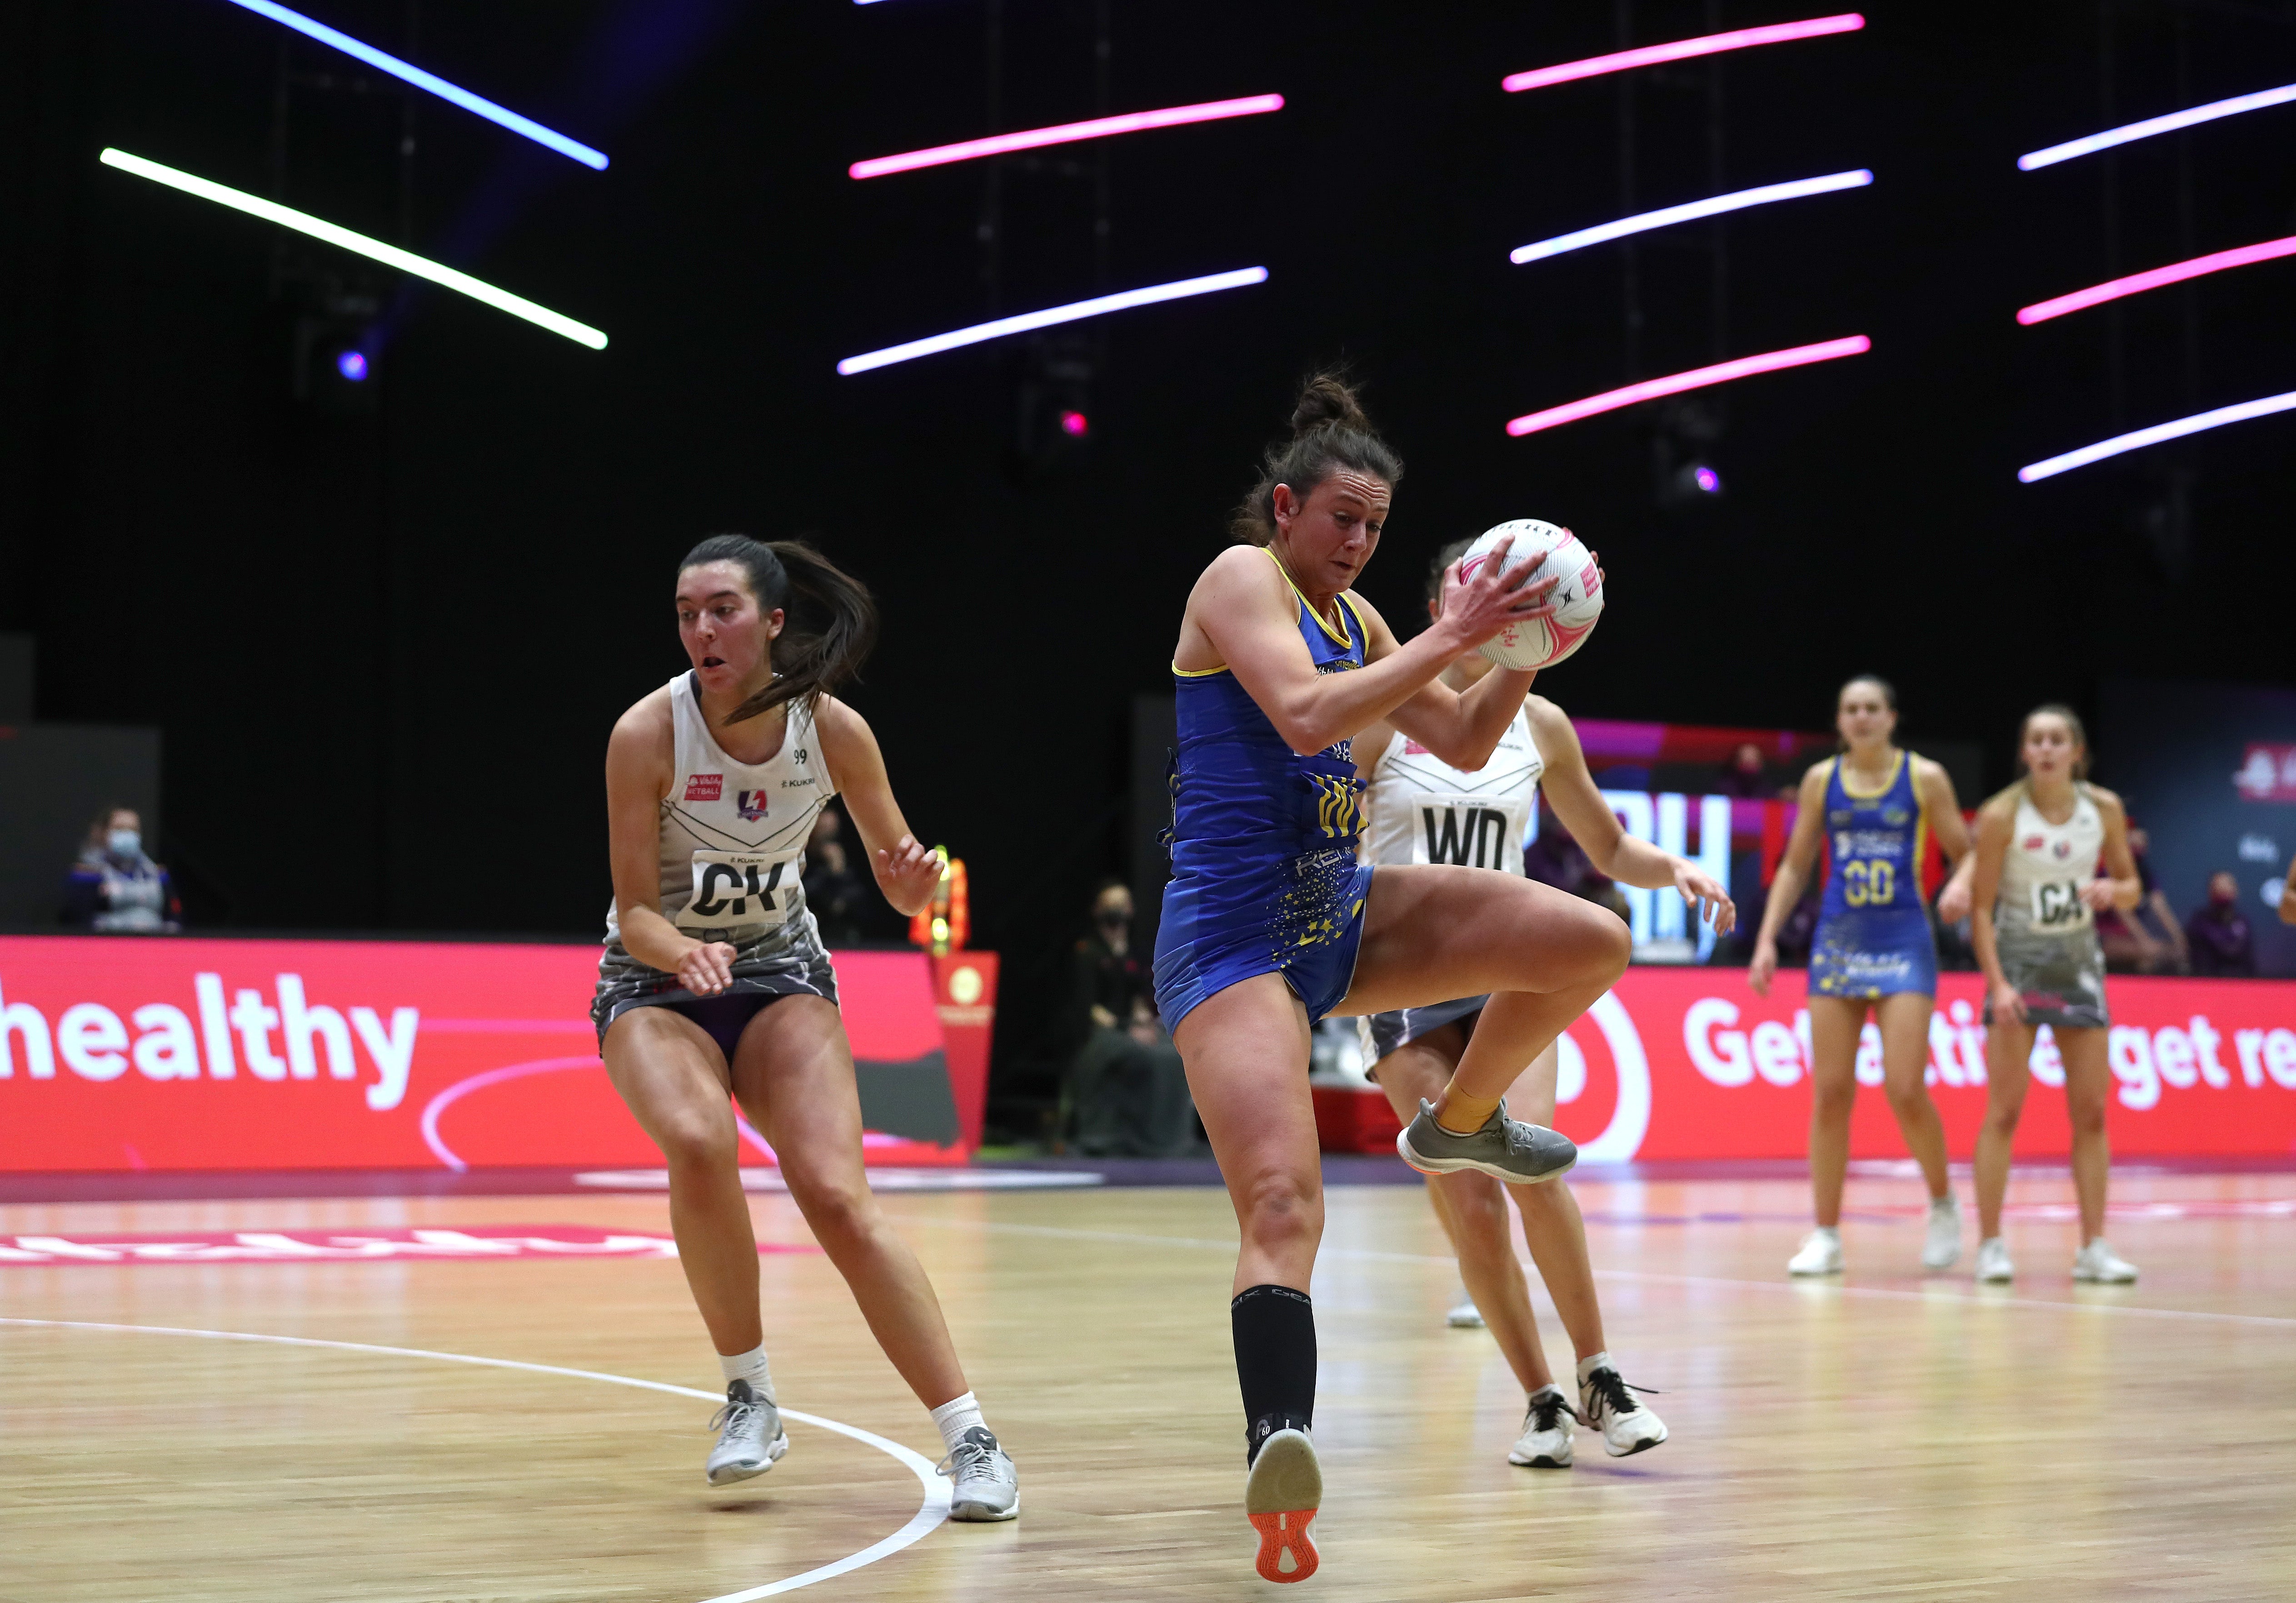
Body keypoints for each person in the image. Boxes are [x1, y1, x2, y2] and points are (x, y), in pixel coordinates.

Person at [1155, 373, 1631, 1582]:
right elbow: (1310, 719)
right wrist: (1459, 634)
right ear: (1284, 508)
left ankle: (1460, 1123)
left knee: (1589, 941)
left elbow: (1468, 739)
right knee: (1280, 1207)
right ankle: (1283, 1440)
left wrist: (1526, 645)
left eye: (1374, 527)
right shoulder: (1237, 583)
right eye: (1342, 522)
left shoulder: (1365, 619)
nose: (1360, 544)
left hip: (1341, 919)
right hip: (1230, 942)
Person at [591, 534, 1018, 1517]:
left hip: (782, 970)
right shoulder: (645, 734)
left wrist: (915, 888)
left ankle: (975, 1439)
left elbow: (903, 876)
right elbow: (635, 907)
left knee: (834, 1194)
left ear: (774, 623)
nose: (703, 629)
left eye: (723, 611)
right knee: (698, 1140)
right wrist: (681, 953)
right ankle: (750, 1395)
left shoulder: (833, 731)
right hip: (655, 980)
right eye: (688, 612)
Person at [1352, 538, 1732, 1469]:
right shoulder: (1386, 708)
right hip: (1407, 977)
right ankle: (1540, 1400)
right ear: (1444, 595)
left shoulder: (1542, 724)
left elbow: (1607, 848)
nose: (1481, 594)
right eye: (1467, 580)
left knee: (1534, 1168)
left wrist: (1670, 867)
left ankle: (1600, 1373)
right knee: (1469, 1201)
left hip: (1505, 970)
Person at [1748, 677, 1974, 1278]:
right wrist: (1767, 938)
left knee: (1904, 1087)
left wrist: (1960, 882)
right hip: (1839, 942)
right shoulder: (1823, 781)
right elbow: (1796, 864)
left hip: (1904, 941)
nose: (1863, 717)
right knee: (1831, 1093)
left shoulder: (1925, 777)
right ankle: (1825, 1234)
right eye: (1852, 709)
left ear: (1892, 717)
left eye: (1873, 708)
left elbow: (1969, 851)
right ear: (1840, 720)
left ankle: (1944, 1204)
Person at [1948, 704, 2143, 1284]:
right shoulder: (2003, 814)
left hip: (2079, 966)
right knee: (2004, 1111)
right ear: (2024, 752)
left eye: (2058, 740)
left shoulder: (2103, 808)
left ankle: (2094, 1248)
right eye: (2037, 741)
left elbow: (2133, 887)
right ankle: (1989, 1245)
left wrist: (2116, 890)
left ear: (2077, 751)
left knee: (2090, 1113)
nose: (2047, 750)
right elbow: (1981, 908)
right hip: (2017, 964)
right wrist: (1998, 984)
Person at [1066, 881, 1193, 1155]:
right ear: (1098, 910)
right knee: (1135, 1052)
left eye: (1122, 905)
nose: (1117, 912)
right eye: (1110, 905)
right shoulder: (1088, 951)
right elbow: (1087, 1005)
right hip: (1101, 1031)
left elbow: (1140, 997)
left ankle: (1168, 1142)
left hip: (1133, 1028)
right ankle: (1104, 1138)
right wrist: (1125, 1028)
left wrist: (1144, 1023)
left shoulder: (1135, 953)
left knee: (1172, 1054)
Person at [61, 807, 178, 932]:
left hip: (153, 946)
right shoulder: (86, 875)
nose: (127, 835)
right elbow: (78, 921)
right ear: (103, 833)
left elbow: (174, 918)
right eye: (120, 829)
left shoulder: (157, 875)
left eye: (133, 830)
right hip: (105, 946)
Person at [2095, 826, 2186, 973]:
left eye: (2141, 845)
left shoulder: (2145, 873)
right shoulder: (2109, 873)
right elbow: (2123, 911)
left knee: (2165, 952)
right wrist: (2146, 942)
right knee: (2148, 953)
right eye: (2133, 845)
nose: (2137, 849)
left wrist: (2180, 940)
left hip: (2128, 937)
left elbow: (2160, 906)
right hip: (2102, 936)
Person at [798, 804, 868, 946]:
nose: (827, 840)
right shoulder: (800, 860)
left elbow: (860, 907)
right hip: (806, 938)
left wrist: (838, 873)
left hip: (847, 942)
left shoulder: (848, 860)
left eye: (831, 833)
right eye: (823, 832)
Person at [2184, 871, 2256, 977]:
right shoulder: (2199, 922)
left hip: (2240, 983)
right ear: (2211, 891)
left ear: (2236, 891)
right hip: (2207, 981)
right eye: (2218, 887)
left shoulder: (2242, 922)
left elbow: (2246, 959)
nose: (2223, 891)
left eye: (2227, 886)